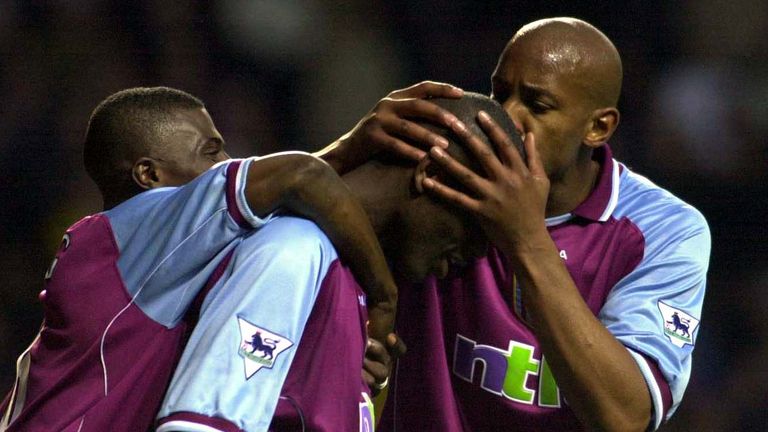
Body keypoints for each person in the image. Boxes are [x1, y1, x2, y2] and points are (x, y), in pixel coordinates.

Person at [345, 18, 710, 432]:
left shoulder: (665, 229)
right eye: (500, 94)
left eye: (537, 106)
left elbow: (624, 417)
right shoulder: (444, 175)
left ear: (598, 127)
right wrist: (347, 152)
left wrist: (526, 238)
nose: (510, 116)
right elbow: (291, 212)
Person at [0, 86, 403, 432]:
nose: (227, 163)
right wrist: (384, 295)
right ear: (149, 175)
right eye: (211, 152)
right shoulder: (139, 226)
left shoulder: (153, 259)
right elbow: (300, 177)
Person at [153, 93, 517, 432]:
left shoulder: (349, 279)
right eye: (469, 234)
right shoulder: (295, 250)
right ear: (432, 175)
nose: (452, 266)